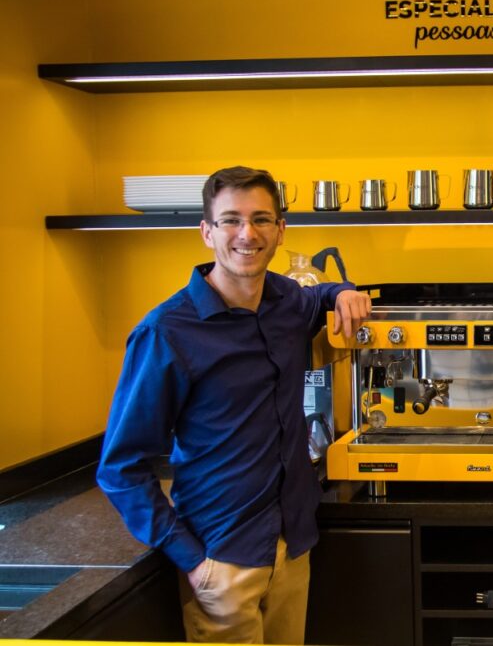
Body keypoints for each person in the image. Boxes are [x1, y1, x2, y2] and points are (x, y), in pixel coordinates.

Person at [97, 165, 371, 644]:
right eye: (231, 220)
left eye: (262, 219)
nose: (248, 233)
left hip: (292, 549)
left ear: (281, 231)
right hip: (222, 561)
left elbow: (318, 295)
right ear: (207, 231)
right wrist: (194, 562)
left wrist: (343, 291)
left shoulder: (288, 301)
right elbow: (120, 468)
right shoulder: (166, 332)